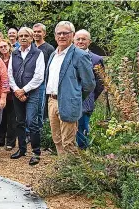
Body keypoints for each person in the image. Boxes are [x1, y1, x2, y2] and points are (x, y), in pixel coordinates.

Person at [45, 21, 95, 155]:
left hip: (68, 102)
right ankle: (63, 167)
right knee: (57, 139)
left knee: (68, 142)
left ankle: (71, 170)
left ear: (72, 35)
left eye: (65, 33)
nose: (61, 36)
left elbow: (89, 84)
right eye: (59, 33)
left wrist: (75, 97)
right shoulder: (53, 55)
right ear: (55, 36)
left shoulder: (80, 55)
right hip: (52, 101)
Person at [8, 27, 45, 166]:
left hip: (32, 92)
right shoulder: (15, 53)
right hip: (17, 92)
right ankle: (22, 149)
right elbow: (10, 73)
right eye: (20, 35)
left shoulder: (38, 53)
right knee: (20, 122)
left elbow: (39, 76)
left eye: (26, 35)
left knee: (32, 122)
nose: (23, 38)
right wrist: (17, 90)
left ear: (31, 38)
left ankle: (36, 152)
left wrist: (24, 90)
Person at [74, 29, 104, 149]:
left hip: (85, 101)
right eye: (78, 39)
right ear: (73, 40)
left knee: (82, 129)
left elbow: (100, 83)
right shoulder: (68, 56)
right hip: (69, 99)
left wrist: (89, 96)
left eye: (83, 39)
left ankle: (83, 156)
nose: (80, 41)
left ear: (89, 41)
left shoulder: (96, 59)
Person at [33, 23, 56, 142]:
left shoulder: (49, 48)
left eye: (39, 31)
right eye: (35, 31)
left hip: (43, 85)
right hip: (30, 84)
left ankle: (42, 136)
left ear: (44, 33)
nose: (36, 34)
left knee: (41, 111)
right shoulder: (31, 47)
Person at [0, 39, 16, 151]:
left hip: (13, 93)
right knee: (1, 118)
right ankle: (0, 139)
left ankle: (10, 141)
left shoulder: (15, 58)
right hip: (0, 93)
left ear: (9, 46)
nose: (3, 48)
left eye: (5, 46)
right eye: (1, 47)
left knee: (12, 118)